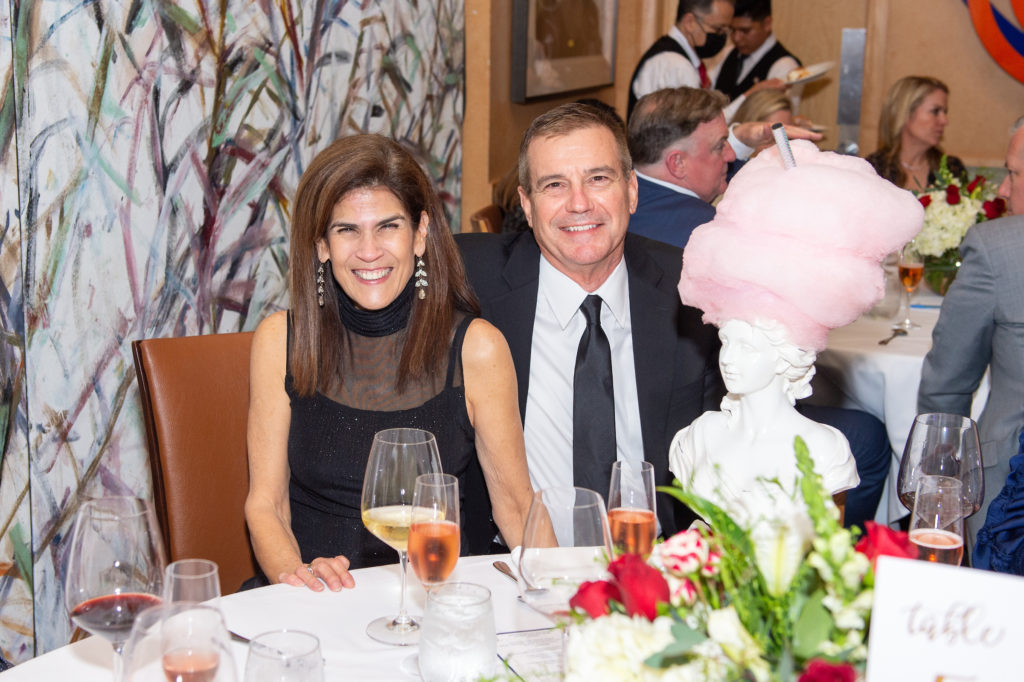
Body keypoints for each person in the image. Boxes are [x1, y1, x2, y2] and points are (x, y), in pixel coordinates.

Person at [245, 134, 534, 591]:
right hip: (312, 602)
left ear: (420, 234)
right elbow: (266, 504)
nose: (369, 250)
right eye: (346, 230)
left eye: (387, 227)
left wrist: (569, 613)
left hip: (433, 596)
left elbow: (517, 508)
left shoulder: (476, 349)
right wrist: (297, 577)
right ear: (321, 245)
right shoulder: (280, 340)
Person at [456, 103, 723, 537]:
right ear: (526, 204)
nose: (579, 204)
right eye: (554, 185)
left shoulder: (691, 292)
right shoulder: (470, 279)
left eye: (598, 179)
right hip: (514, 570)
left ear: (632, 190)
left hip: (654, 566)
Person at [673, 139, 922, 528]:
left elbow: (824, 554)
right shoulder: (697, 439)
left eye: (749, 347)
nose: (729, 358)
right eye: (727, 342)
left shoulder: (824, 451)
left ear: (785, 356)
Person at [918, 117, 1024, 545]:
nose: (1003, 188)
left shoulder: (997, 248)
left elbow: (946, 388)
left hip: (1011, 500)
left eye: (1013, 173)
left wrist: (938, 491)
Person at [627, 87, 816, 249]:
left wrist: (740, 138)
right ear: (678, 164)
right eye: (720, 145)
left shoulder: (621, 204)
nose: (731, 155)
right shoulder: (710, 232)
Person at [628, 0, 735, 119]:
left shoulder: (672, 56)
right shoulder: (677, 65)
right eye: (718, 29)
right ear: (690, 22)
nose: (722, 36)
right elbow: (697, 125)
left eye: (726, 30)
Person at [865, 76, 966, 191]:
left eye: (945, 112)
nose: (944, 121)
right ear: (905, 113)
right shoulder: (875, 168)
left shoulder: (951, 168)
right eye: (935, 111)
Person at [713, 0, 800, 116]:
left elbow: (776, 120)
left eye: (745, 31)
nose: (736, 38)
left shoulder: (785, 65)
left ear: (767, 24)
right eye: (732, 30)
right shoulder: (727, 52)